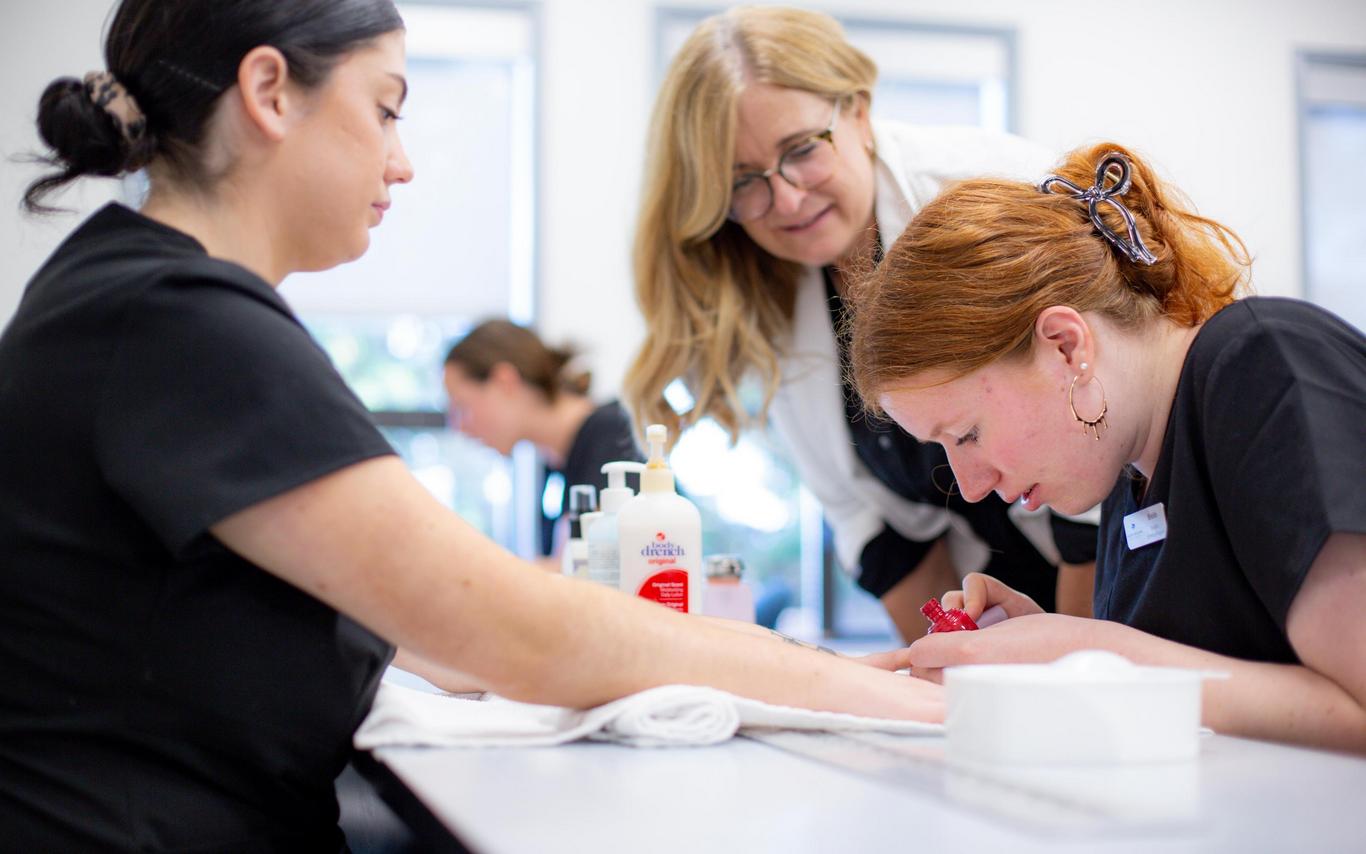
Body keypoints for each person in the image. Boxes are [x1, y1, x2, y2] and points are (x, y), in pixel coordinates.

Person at [0, 1, 941, 848]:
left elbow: (448, 629)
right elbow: (518, 634)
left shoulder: (137, 296)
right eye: (387, 107)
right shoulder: (180, 321)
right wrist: (861, 692)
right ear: (269, 91)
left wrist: (817, 677)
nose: (402, 161)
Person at [848, 141, 1366, 752]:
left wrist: (1091, 650)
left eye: (967, 434)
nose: (971, 486)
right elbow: (1218, 687)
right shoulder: (1129, 477)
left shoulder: (1265, 363)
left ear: (1067, 346)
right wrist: (1054, 657)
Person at [624, 5, 1098, 643]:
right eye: (744, 184)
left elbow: (1093, 464)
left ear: (858, 110)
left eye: (801, 151)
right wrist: (944, 680)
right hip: (1007, 591)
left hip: (1120, 569)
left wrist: (1063, 673)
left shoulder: (990, 191)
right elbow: (878, 534)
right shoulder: (769, 282)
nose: (786, 200)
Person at [443, 319, 641, 560]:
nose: (460, 427)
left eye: (462, 407)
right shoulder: (553, 463)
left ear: (504, 381)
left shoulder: (611, 435)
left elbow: (580, 568)